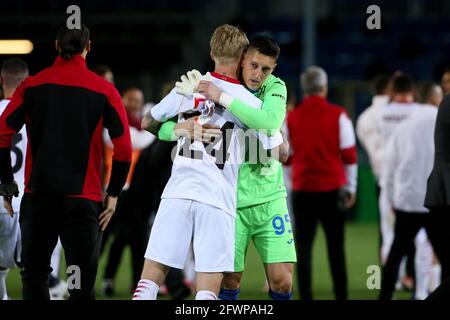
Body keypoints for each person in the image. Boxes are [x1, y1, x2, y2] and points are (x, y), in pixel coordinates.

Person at [132, 24, 283, 300]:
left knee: (150, 280)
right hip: (217, 199)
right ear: (242, 58)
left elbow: (146, 122)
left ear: (212, 53)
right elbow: (278, 150)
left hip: (178, 191)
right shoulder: (250, 104)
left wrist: (180, 129)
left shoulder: (186, 86)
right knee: (207, 289)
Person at [0, 24, 132, 300]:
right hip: (83, 202)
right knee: (81, 286)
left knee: (35, 277)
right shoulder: (104, 90)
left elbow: (2, 134)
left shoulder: (31, 85)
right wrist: (114, 193)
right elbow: (123, 149)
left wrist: (7, 183)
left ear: (57, 47)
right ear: (88, 48)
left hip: (39, 198)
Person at [287, 66, 357, 300]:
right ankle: (341, 296)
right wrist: (351, 187)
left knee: (303, 252)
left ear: (304, 89)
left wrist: (292, 186)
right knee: (336, 250)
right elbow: (349, 155)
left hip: (302, 192)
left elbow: (286, 158)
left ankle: (305, 296)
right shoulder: (339, 114)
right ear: (324, 87)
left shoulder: (292, 117)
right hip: (332, 191)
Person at [379, 83, 443, 300]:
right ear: (436, 99)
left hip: (408, 200)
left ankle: (386, 296)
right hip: (437, 201)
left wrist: (390, 200)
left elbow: (390, 166)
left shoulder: (404, 126)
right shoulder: (443, 122)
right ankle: (422, 293)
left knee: (397, 253)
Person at [101, 87, 155, 296]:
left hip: (136, 195)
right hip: (114, 192)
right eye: (130, 99)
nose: (134, 104)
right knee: (112, 241)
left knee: (138, 241)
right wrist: (152, 127)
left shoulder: (138, 125)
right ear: (123, 100)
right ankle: (102, 279)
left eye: (138, 100)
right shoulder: (114, 123)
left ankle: (136, 284)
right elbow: (138, 140)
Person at [0, 58, 28, 300]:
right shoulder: (34, 115)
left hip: (0, 199)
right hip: (26, 202)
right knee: (32, 268)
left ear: (1, 81)